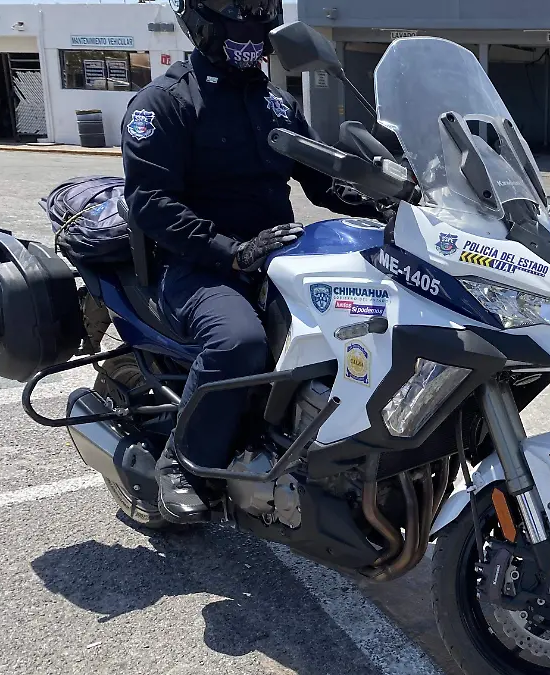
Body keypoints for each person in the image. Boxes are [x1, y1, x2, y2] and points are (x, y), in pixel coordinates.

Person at [122, 0, 379, 523]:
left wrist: (387, 195)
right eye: (240, 10)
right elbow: (150, 202)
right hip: (199, 267)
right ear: (200, 19)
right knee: (240, 343)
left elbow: (322, 178)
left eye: (261, 9)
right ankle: (181, 463)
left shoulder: (277, 104)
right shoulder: (166, 102)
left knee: (367, 320)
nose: (253, 22)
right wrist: (230, 252)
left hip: (278, 259)